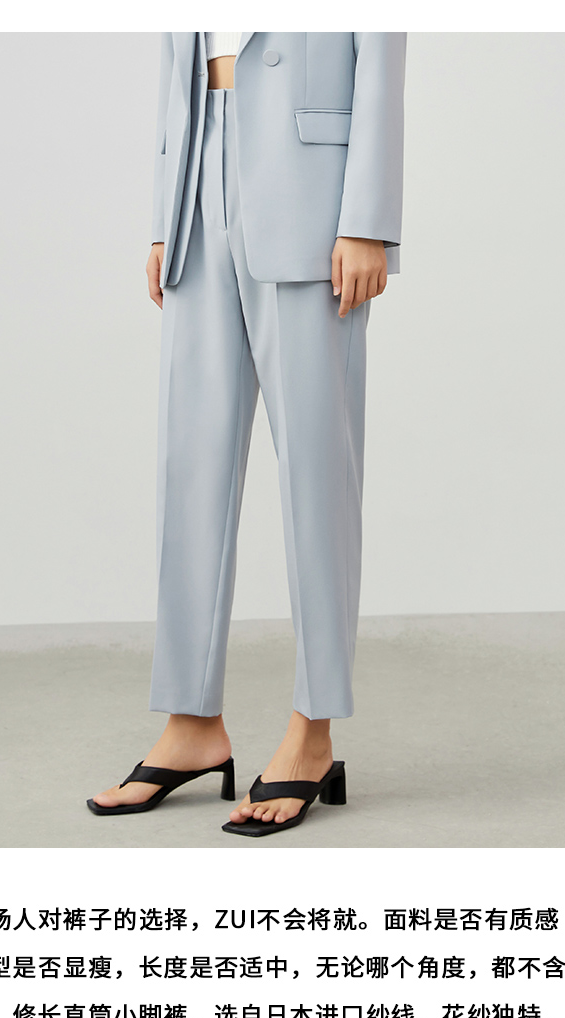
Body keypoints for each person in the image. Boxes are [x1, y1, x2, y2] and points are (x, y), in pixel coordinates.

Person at [88, 32, 407, 836]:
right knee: (190, 465)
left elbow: (381, 53)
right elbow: (177, 61)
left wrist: (368, 219)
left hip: (313, 192)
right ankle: (191, 722)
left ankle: (313, 729)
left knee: (316, 474)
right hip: (199, 177)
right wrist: (164, 217)